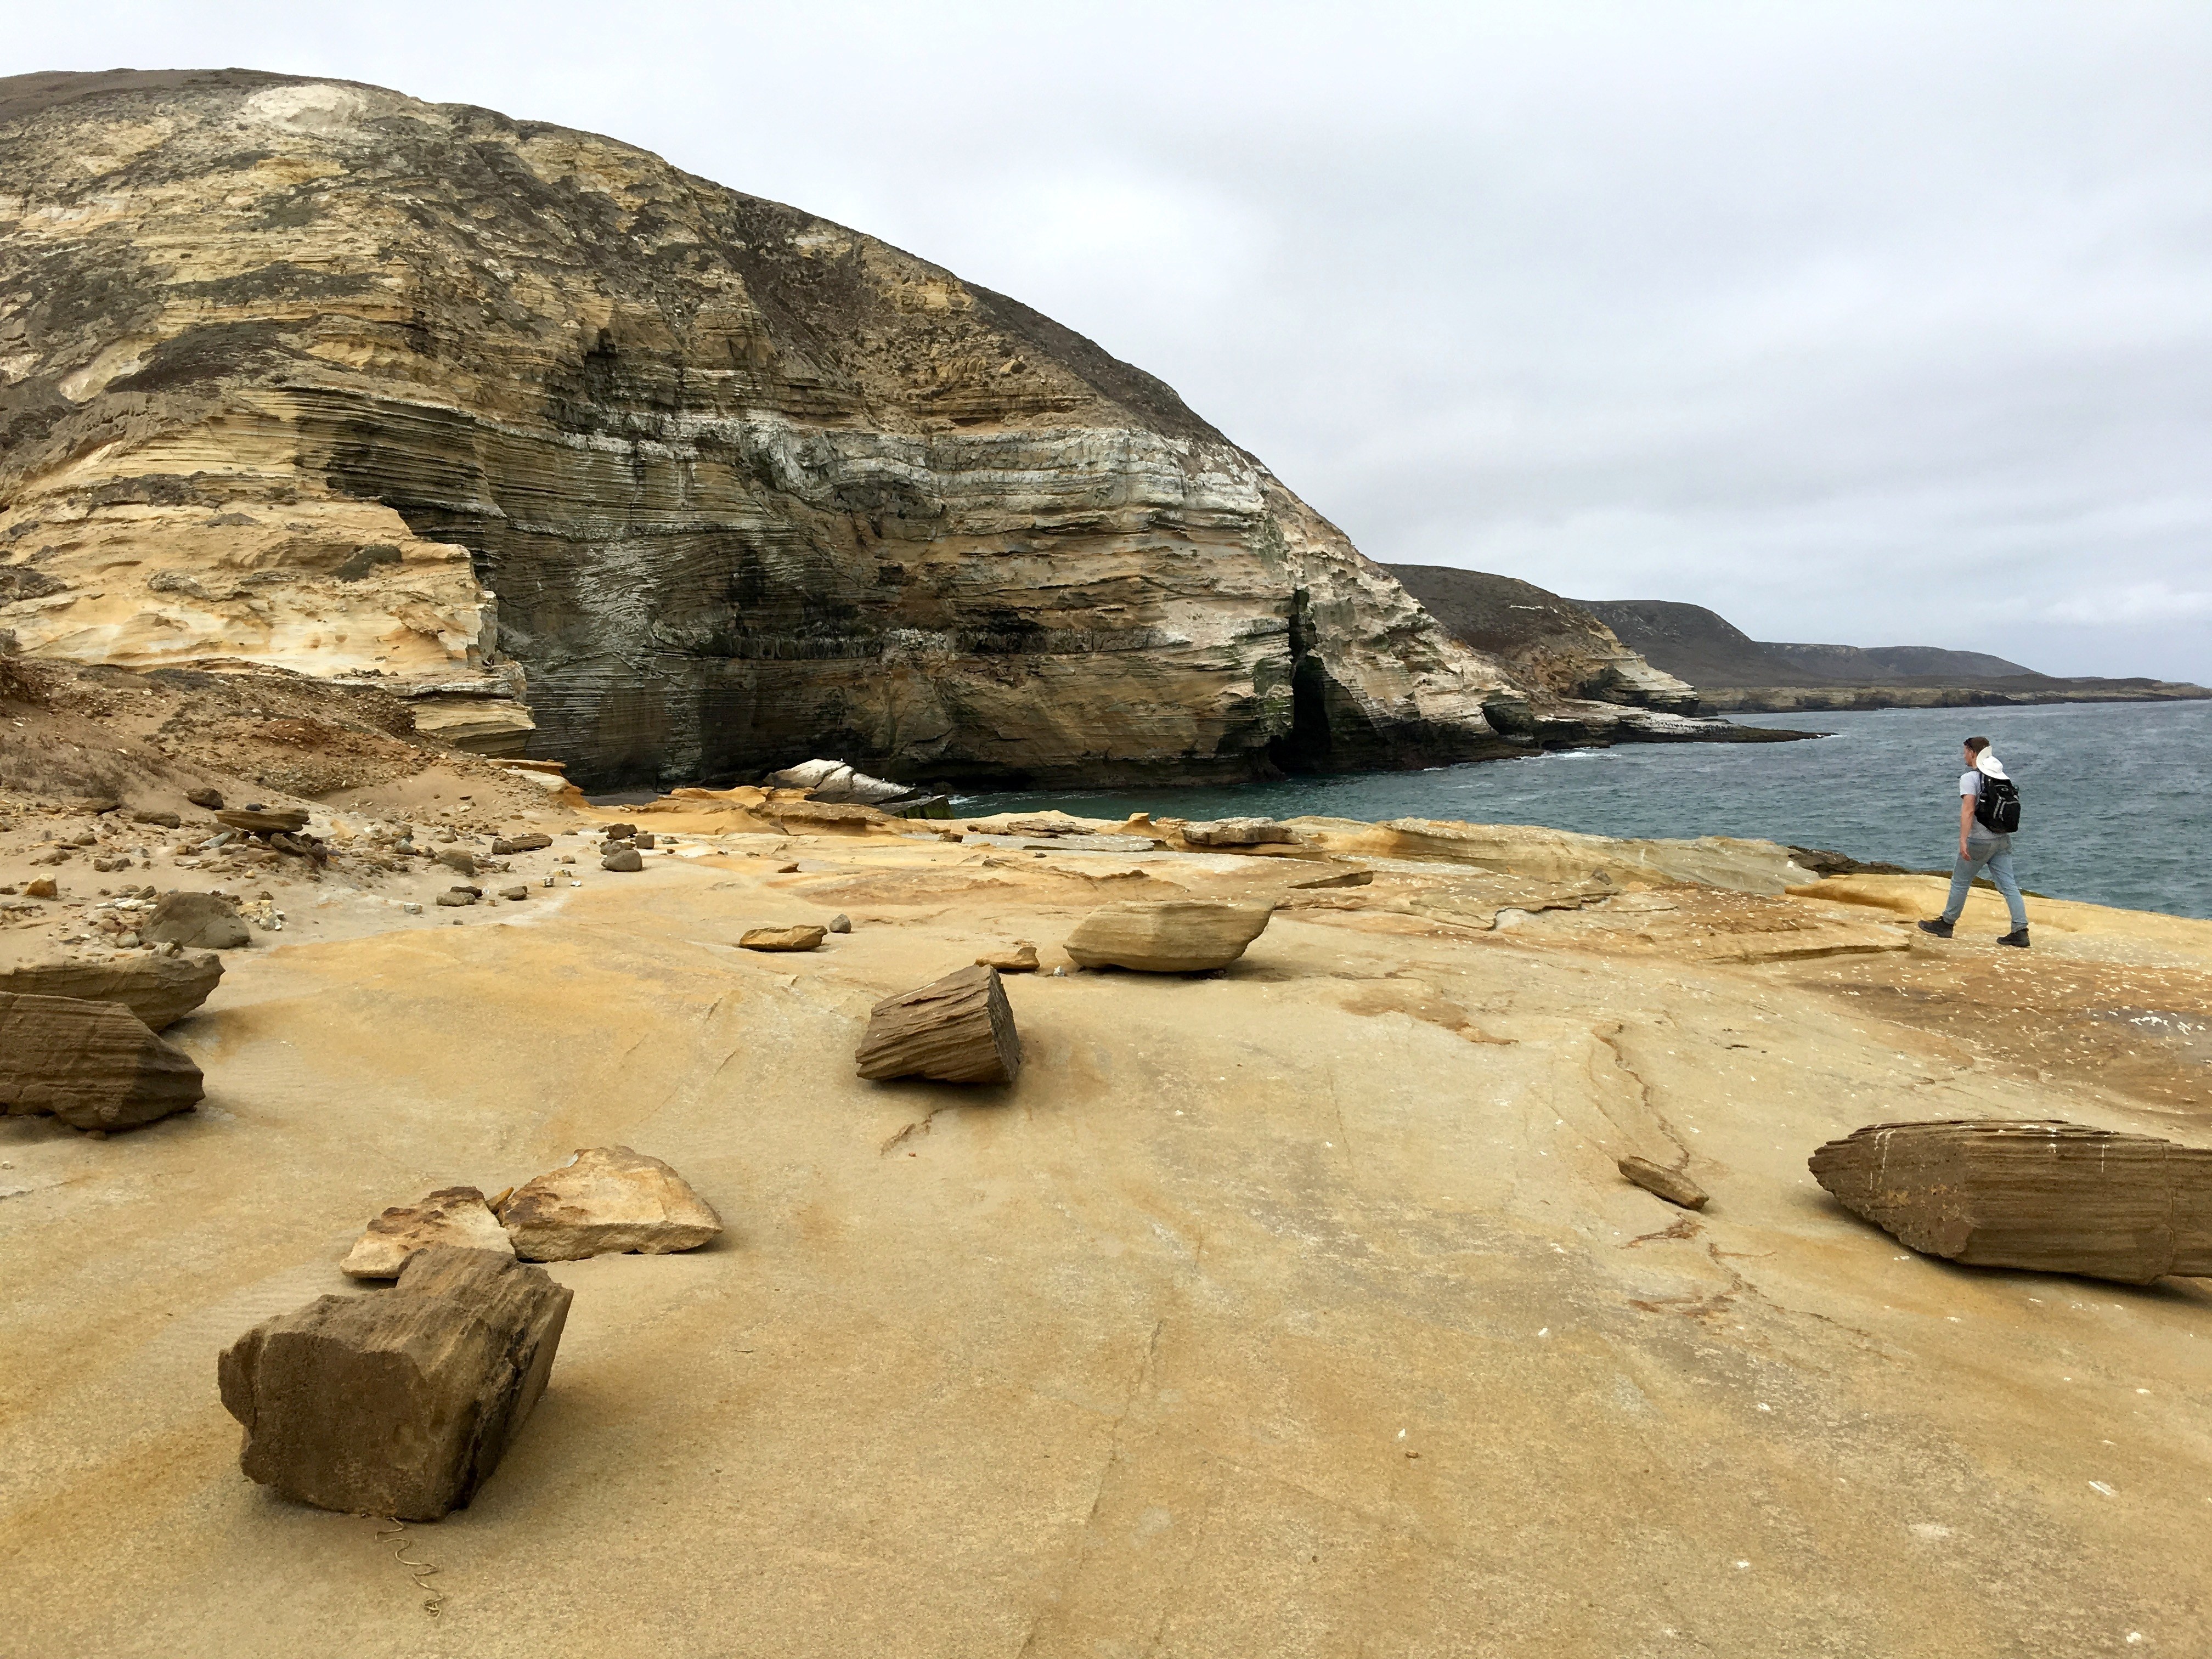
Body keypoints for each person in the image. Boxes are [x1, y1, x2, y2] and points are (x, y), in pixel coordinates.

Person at [1918, 736, 2029, 947]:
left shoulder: (1970, 778)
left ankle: (1946, 924)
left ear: (1973, 753)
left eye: (1965, 752)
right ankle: (2020, 930)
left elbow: (1969, 809)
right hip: (2002, 839)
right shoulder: (2000, 776)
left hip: (1979, 841)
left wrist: (1963, 840)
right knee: (2009, 885)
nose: (1964, 756)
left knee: (1960, 882)